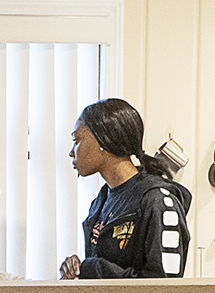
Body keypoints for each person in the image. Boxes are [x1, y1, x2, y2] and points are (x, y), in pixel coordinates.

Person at [59, 98, 192, 279]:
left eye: (77, 140)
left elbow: (163, 289)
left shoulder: (157, 201)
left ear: (103, 140)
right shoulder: (101, 202)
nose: (71, 151)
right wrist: (76, 271)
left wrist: (93, 269)